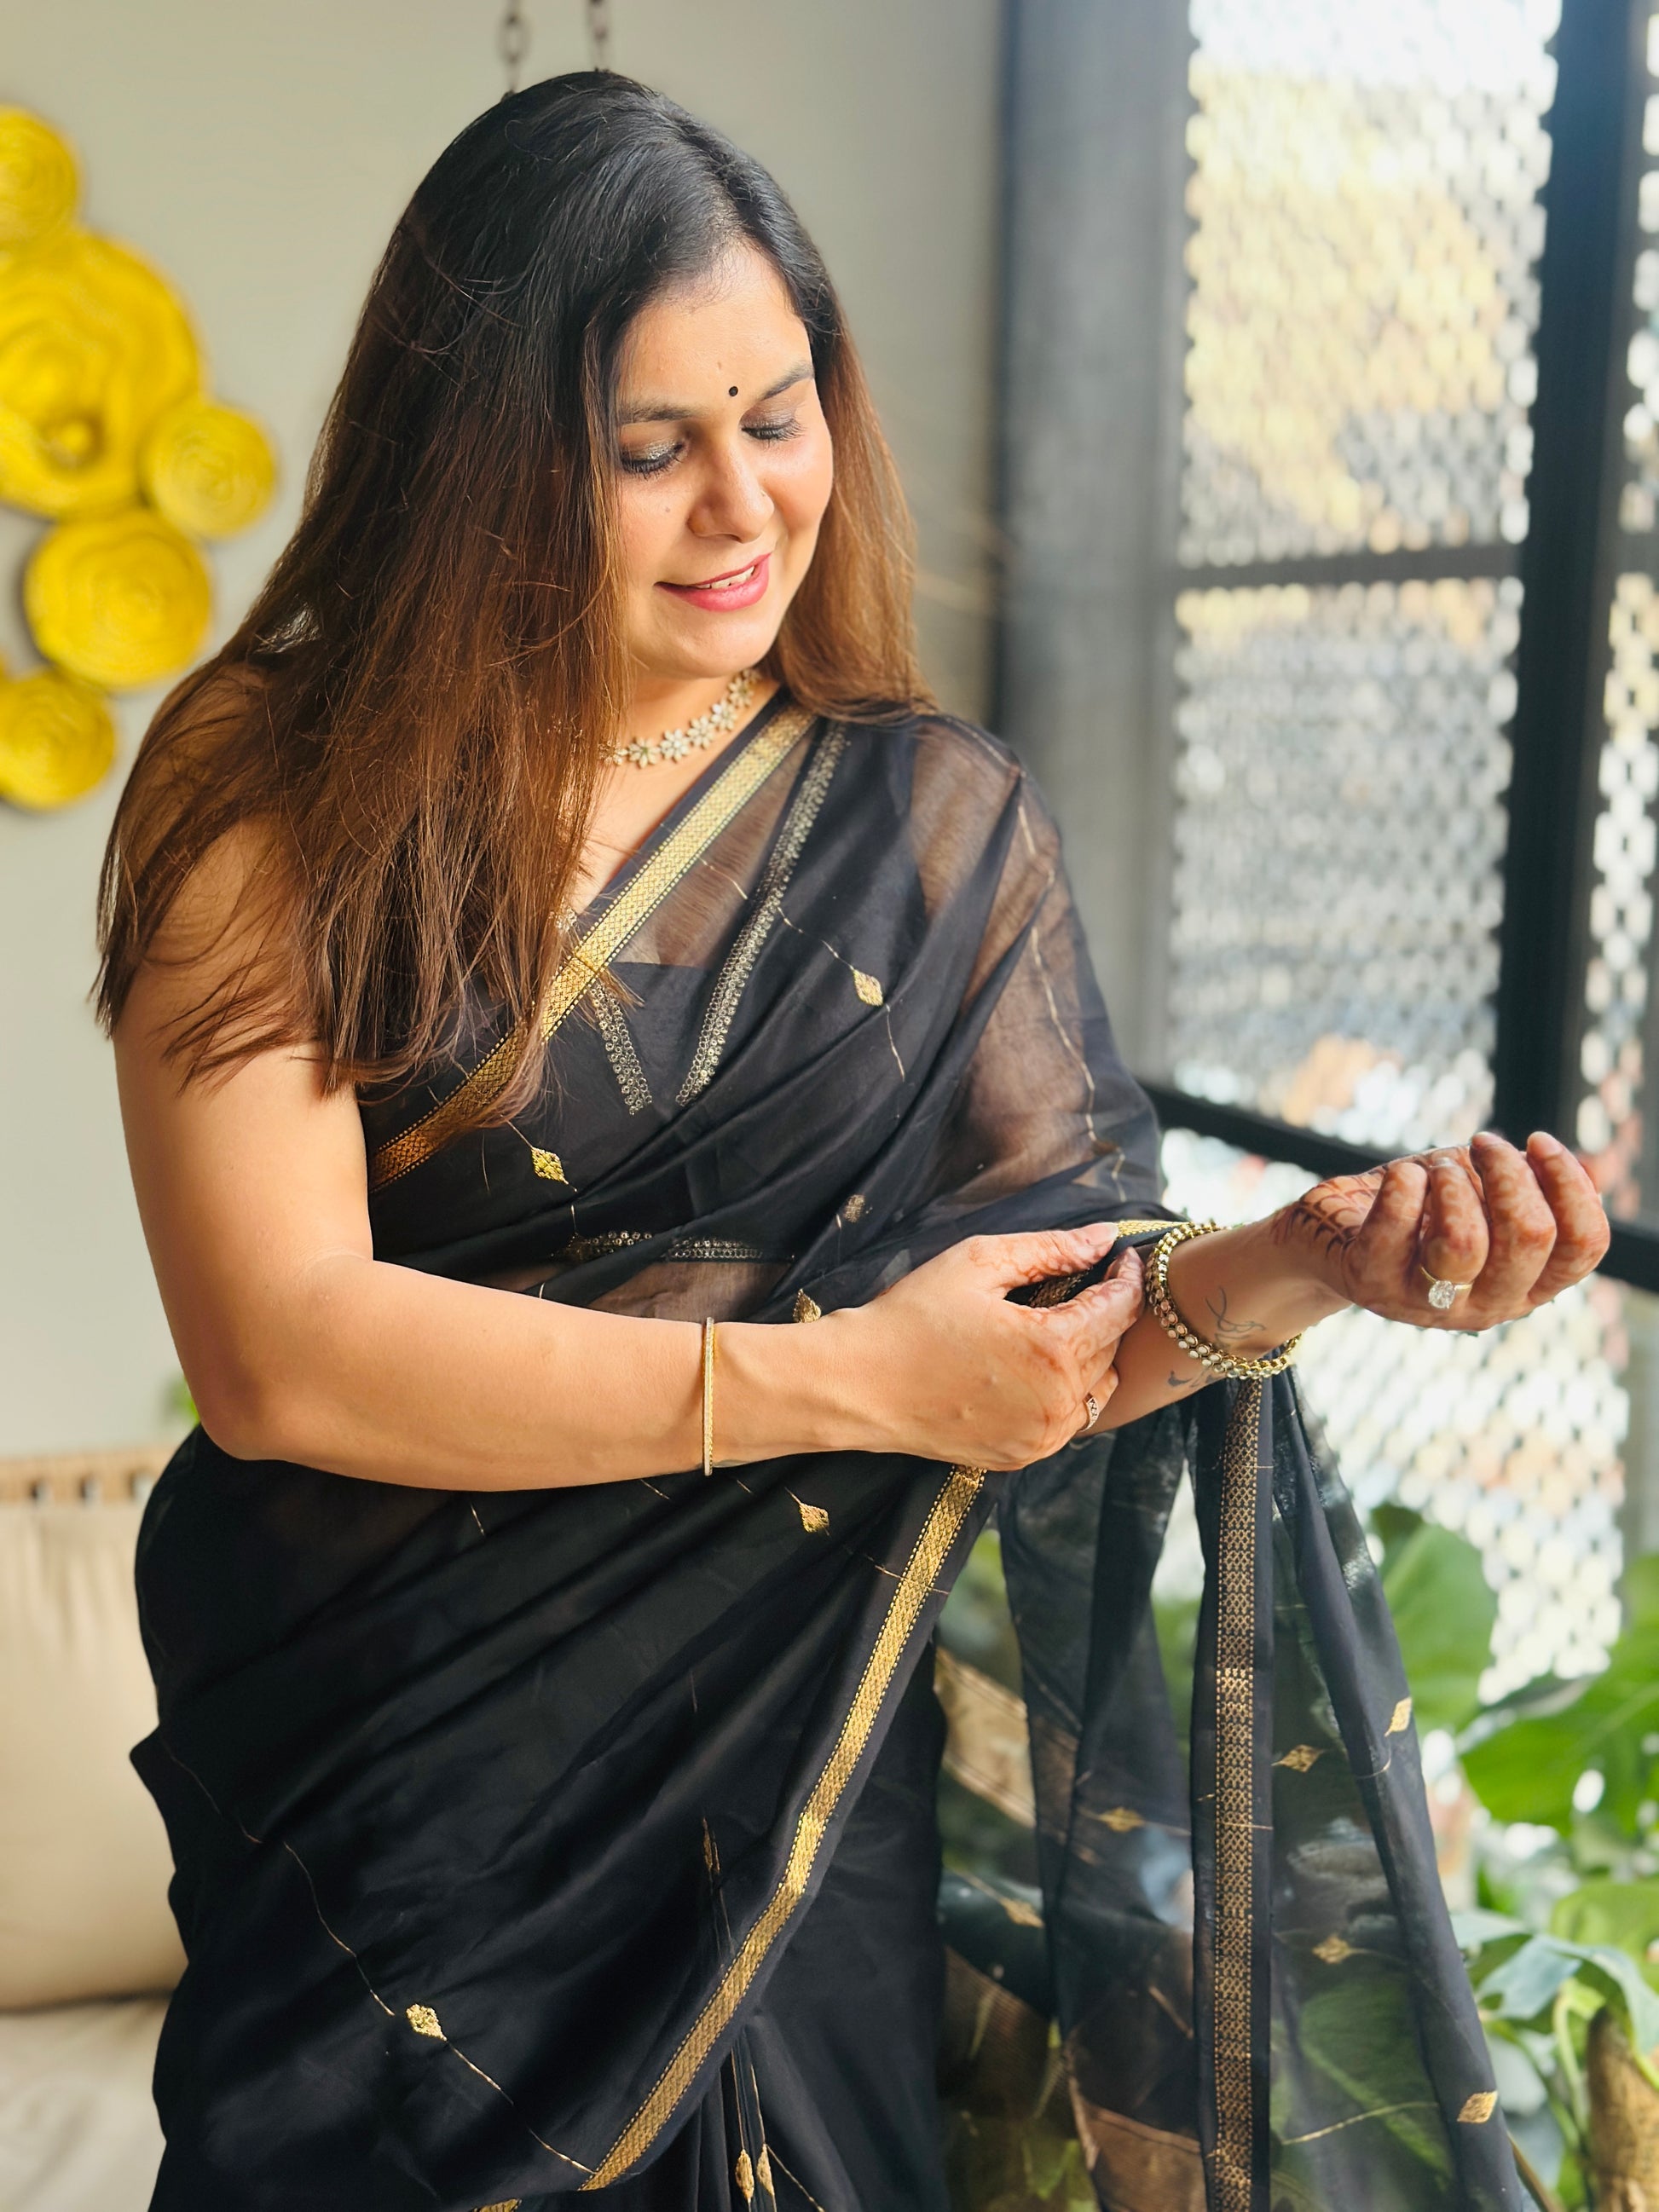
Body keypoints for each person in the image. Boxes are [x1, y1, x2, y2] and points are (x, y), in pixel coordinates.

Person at [99, 72, 1605, 2212]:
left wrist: (1305, 1259)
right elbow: (278, 1349)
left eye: (778, 413)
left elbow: (1034, 1347)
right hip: (404, 1842)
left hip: (795, 1837)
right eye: (652, 448)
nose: (745, 503)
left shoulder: (930, 825)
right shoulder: (278, 782)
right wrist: (844, 1377)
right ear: (481, 456)